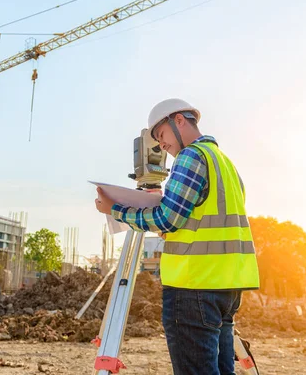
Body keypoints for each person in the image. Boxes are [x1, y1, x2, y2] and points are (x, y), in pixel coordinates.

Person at [94, 98, 259, 375]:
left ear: (179, 120)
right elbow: (202, 219)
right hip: (227, 287)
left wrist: (116, 210)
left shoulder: (191, 156)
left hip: (194, 286)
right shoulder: (224, 162)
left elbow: (167, 219)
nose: (161, 146)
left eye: (161, 135)